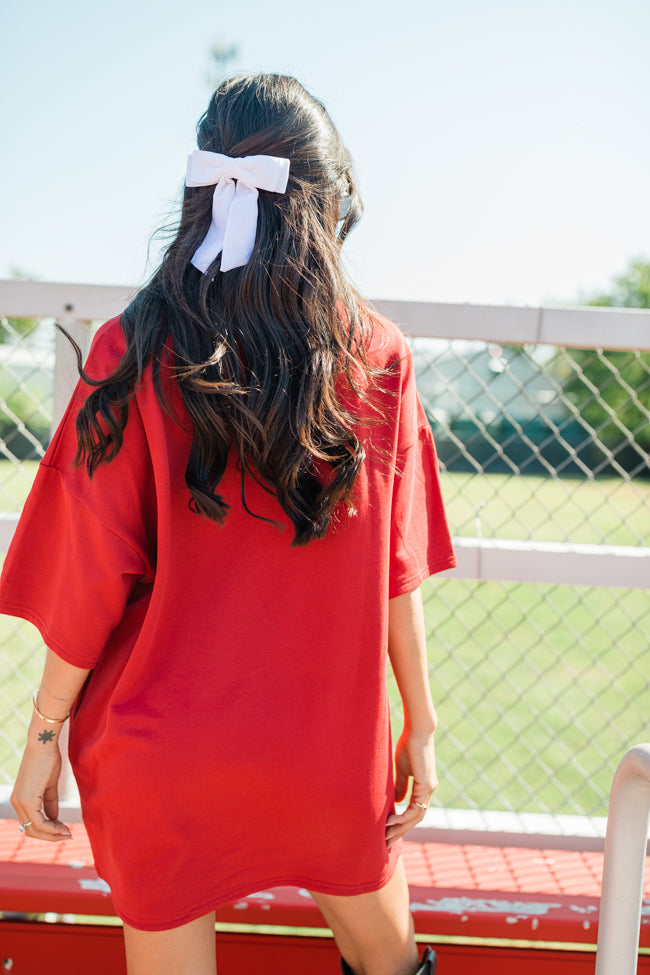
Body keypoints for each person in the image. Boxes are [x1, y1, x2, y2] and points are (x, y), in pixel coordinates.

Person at [0, 73, 456, 975]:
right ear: (326, 202)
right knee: (390, 963)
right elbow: (395, 573)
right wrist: (421, 724)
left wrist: (43, 735)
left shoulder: (133, 346)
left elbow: (90, 576)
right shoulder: (380, 356)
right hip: (327, 751)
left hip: (161, 756)